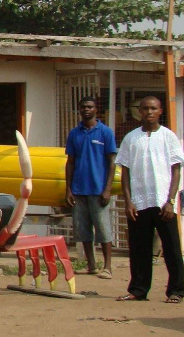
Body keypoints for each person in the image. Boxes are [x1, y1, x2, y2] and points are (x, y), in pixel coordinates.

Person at [115, 96, 184, 303]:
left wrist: (170, 201)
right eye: (145, 108)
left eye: (153, 108)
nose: (149, 112)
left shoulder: (168, 136)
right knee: (139, 249)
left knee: (172, 248)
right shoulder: (131, 138)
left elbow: (176, 171)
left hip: (163, 201)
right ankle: (138, 289)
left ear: (160, 111)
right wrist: (128, 201)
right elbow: (125, 172)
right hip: (138, 202)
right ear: (140, 111)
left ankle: (176, 291)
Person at [64, 97, 117, 279]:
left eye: (90, 107)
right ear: (79, 109)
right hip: (79, 190)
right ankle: (91, 265)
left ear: (96, 109)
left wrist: (107, 188)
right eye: (83, 107)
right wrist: (68, 189)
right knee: (83, 230)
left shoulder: (105, 132)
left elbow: (112, 162)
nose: (87, 110)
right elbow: (70, 162)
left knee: (103, 229)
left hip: (99, 189)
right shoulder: (74, 133)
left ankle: (107, 266)